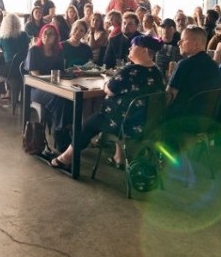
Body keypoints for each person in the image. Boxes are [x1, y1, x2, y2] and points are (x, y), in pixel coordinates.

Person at [49, 34, 165, 169]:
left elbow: (109, 90)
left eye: (133, 47)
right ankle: (118, 158)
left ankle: (66, 158)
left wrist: (106, 83)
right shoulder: (158, 72)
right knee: (109, 113)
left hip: (124, 123)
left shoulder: (130, 70)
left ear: (144, 51)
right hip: (146, 123)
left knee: (88, 125)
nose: (129, 49)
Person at [23, 24, 69, 151]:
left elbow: (61, 71)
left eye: (50, 34)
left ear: (55, 37)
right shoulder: (34, 51)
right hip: (37, 88)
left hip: (55, 86)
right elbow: (35, 74)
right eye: (45, 33)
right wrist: (52, 78)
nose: (47, 36)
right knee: (58, 99)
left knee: (67, 99)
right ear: (41, 35)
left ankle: (62, 129)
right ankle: (59, 132)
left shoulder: (58, 51)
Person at [165, 25, 221, 120]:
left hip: (181, 119)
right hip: (206, 120)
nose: (179, 43)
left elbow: (169, 97)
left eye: (183, 40)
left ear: (196, 44)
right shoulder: (213, 65)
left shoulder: (184, 65)